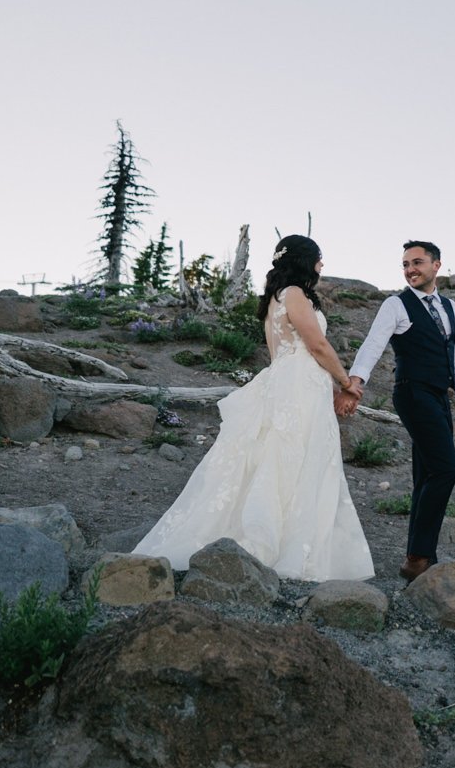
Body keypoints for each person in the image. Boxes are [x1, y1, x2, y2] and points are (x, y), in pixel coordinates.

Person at [134, 235, 374, 581]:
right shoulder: (294, 293)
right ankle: (284, 546)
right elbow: (318, 345)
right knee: (297, 458)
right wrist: (346, 381)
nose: (322, 265)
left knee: (280, 456)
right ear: (306, 261)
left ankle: (278, 538)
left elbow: (283, 352)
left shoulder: (277, 298)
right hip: (300, 385)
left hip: (288, 379)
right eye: (319, 259)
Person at [342, 240, 455, 580]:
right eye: (405, 264)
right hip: (411, 392)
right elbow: (373, 343)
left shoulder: (450, 307)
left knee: (428, 473)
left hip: (438, 396)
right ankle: (418, 556)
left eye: (417, 262)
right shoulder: (396, 305)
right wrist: (355, 382)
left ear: (437, 265)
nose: (410, 270)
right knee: (446, 469)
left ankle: (419, 556)